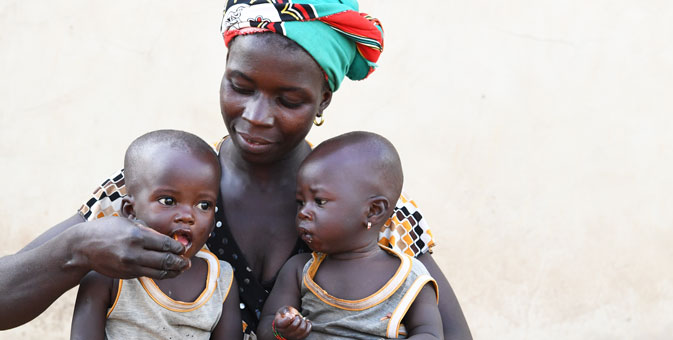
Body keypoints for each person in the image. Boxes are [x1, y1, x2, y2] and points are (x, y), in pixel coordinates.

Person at [0, 1, 472, 339]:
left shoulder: (372, 208)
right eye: (240, 86)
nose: (256, 116)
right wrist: (79, 247)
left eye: (289, 100)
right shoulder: (157, 186)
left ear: (323, 100)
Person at [257, 131, 442, 340]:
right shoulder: (300, 270)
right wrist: (281, 330)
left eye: (320, 202)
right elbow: (266, 327)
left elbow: (430, 334)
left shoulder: (409, 277)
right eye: (301, 202)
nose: (303, 212)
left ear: (373, 210)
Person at [69, 130, 241, 340]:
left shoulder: (220, 281)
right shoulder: (109, 271)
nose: (187, 216)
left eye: (203, 205)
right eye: (168, 201)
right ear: (130, 211)